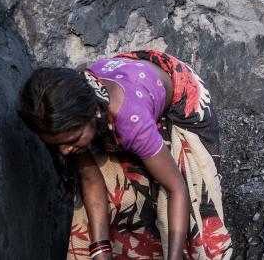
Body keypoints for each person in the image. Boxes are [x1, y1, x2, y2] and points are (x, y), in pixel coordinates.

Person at [18, 50, 232, 259]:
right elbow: (91, 180)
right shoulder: (67, 117)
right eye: (57, 146)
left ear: (94, 113)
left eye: (71, 142)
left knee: (195, 216)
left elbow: (177, 189)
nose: (64, 151)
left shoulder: (130, 120)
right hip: (128, 86)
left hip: (178, 97)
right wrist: (101, 251)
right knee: (120, 196)